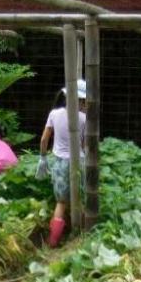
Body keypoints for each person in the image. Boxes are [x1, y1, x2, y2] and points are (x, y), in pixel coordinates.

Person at [39, 79, 88, 248]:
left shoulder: (54, 114)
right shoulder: (84, 118)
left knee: (61, 203)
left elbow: (44, 139)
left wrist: (43, 158)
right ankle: (82, 238)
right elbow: (84, 145)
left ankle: (53, 241)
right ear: (81, 100)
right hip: (78, 163)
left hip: (59, 162)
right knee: (80, 200)